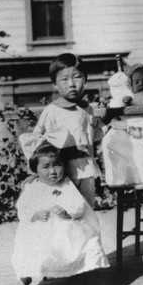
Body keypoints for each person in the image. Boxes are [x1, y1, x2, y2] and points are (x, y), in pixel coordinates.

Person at [12, 141, 109, 285]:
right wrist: (34, 215)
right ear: (35, 169)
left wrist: (67, 212)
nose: (53, 172)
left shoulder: (66, 184)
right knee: (28, 247)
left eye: (57, 165)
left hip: (65, 228)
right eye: (46, 167)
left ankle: (82, 274)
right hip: (39, 230)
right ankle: (23, 280)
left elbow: (78, 204)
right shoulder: (33, 186)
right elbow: (23, 208)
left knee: (84, 242)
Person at [19, 53, 104, 208]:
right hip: (63, 171)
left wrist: (103, 122)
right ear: (55, 84)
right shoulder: (52, 111)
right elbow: (35, 141)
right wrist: (36, 171)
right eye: (64, 79)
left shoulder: (88, 109)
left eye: (77, 77)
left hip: (86, 168)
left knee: (86, 209)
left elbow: (93, 137)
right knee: (65, 208)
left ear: (85, 79)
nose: (71, 84)